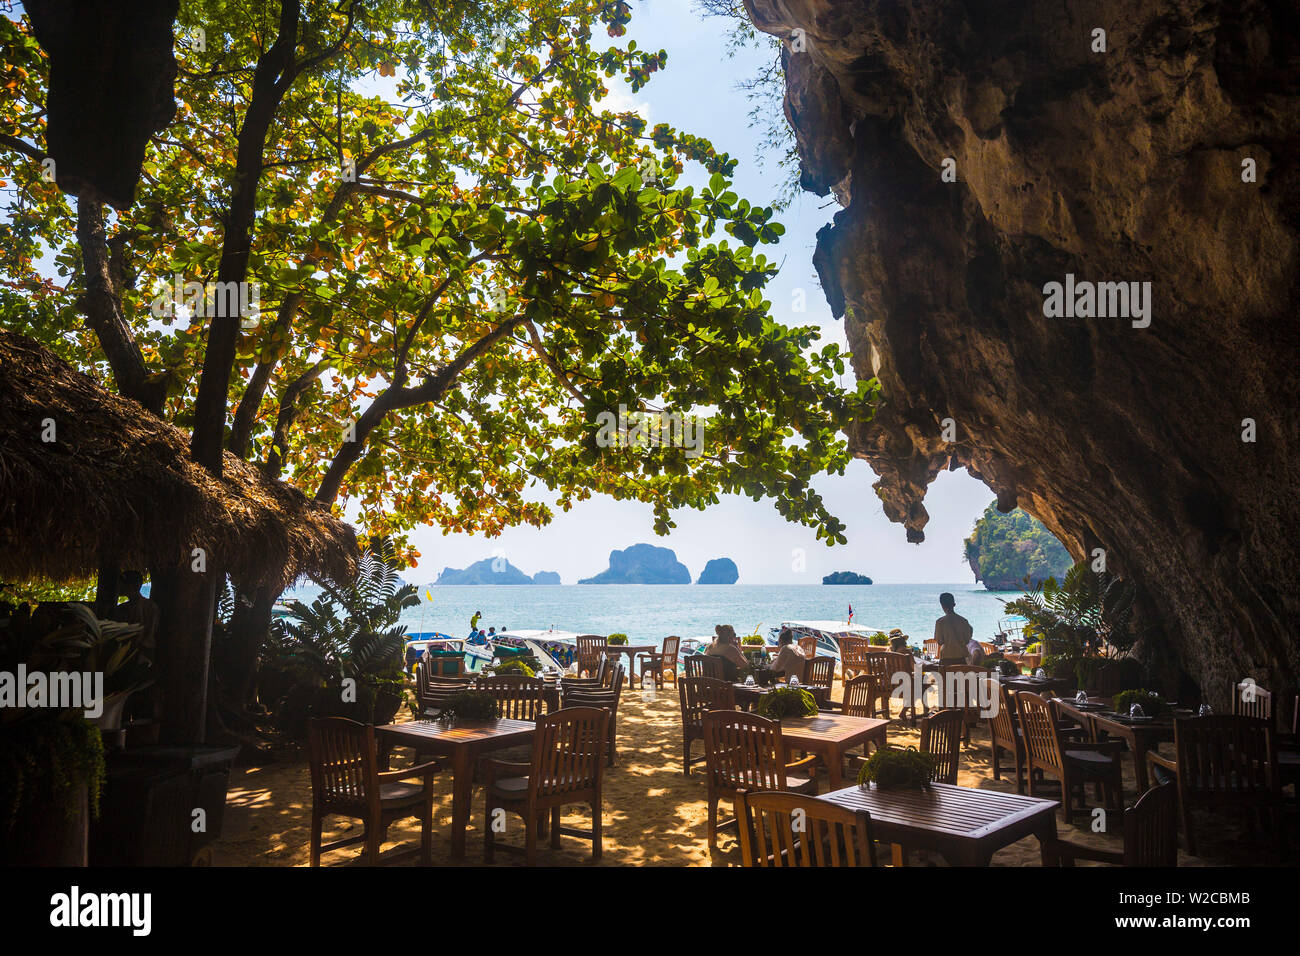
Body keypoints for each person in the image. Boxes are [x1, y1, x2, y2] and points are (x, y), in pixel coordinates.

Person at [934, 592, 973, 663]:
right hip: (962, 659)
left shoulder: (940, 622)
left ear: (942, 605)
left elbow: (940, 641)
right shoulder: (964, 621)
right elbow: (967, 640)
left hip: (946, 658)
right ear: (954, 604)